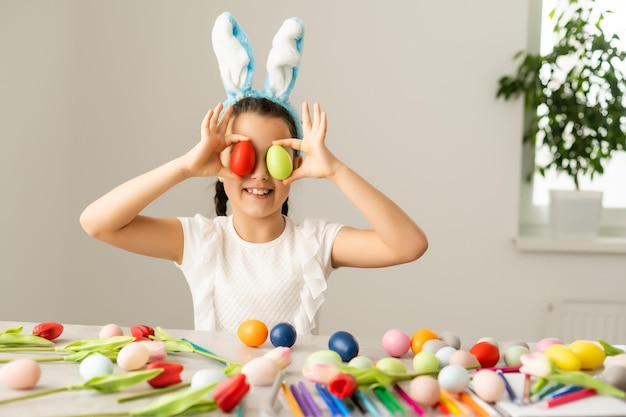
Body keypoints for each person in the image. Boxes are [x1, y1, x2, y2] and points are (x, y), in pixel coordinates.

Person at [79, 13, 428, 335]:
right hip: (222, 397)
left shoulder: (315, 244)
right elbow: (97, 223)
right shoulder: (200, 242)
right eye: (245, 156)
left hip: (294, 399)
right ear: (220, 163)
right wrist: (185, 167)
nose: (260, 174)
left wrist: (336, 170)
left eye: (276, 157)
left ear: (295, 163)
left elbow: (409, 245)